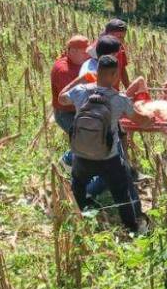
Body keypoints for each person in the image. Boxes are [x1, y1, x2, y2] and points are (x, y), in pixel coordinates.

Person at [58, 54, 153, 234]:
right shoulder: (120, 100)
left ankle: (80, 221)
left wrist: (79, 79)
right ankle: (133, 227)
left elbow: (62, 98)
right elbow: (142, 121)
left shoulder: (80, 92)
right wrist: (150, 118)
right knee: (122, 192)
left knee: (77, 187)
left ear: (97, 72)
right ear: (114, 75)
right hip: (108, 157)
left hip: (81, 155)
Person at [51, 34, 91, 136]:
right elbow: (71, 98)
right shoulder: (63, 70)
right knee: (83, 138)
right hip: (66, 113)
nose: (88, 55)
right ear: (73, 51)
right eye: (84, 53)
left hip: (81, 109)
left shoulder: (79, 60)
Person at [99, 18, 132, 90]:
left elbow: (122, 69)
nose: (122, 41)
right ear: (108, 34)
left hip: (114, 92)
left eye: (123, 38)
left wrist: (128, 88)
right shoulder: (99, 48)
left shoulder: (120, 47)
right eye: (119, 37)